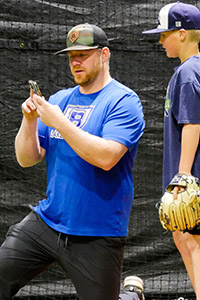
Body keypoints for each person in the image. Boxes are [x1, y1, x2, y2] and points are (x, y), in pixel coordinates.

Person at [0, 23, 145, 300]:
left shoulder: (123, 101)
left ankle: (131, 296)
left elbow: (106, 157)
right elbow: (27, 159)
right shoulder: (60, 99)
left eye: (83, 54)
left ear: (104, 55)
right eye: (71, 56)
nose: (75, 62)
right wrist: (29, 122)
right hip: (47, 222)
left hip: (96, 232)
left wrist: (59, 122)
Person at [142, 2, 200, 299]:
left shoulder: (189, 72)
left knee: (192, 241)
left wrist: (183, 176)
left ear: (181, 33)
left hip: (192, 175)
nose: (160, 40)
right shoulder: (191, 69)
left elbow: (192, 124)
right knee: (183, 237)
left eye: (164, 34)